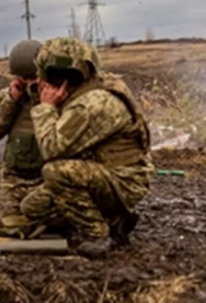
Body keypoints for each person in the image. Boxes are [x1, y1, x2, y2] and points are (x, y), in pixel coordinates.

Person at [20, 37, 153, 257]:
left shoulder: (92, 104)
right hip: (106, 173)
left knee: (56, 172)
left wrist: (46, 107)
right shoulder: (86, 90)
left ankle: (97, 234)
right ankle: (115, 221)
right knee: (33, 208)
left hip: (123, 180)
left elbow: (51, 149)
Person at [0, 40, 44, 228]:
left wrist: (42, 99)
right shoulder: (8, 97)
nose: (28, 84)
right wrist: (12, 100)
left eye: (32, 77)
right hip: (15, 181)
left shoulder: (58, 97)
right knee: (10, 222)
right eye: (23, 78)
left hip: (47, 179)